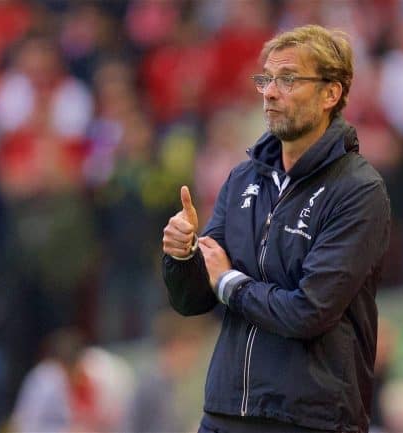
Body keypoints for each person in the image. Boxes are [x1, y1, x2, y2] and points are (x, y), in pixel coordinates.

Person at [162, 24, 391, 433]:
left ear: (330, 94)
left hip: (308, 418)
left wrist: (230, 283)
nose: (269, 92)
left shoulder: (359, 190)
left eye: (288, 79)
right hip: (224, 410)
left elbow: (308, 312)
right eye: (266, 78)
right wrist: (182, 255)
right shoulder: (242, 177)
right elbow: (194, 299)